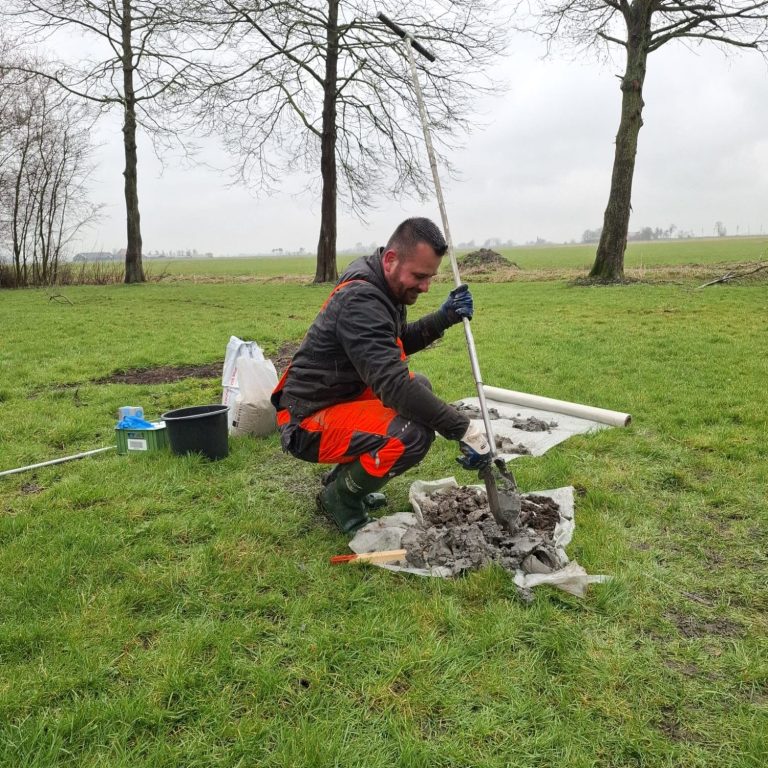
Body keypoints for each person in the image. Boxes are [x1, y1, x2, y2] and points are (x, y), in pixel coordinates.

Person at [271, 217, 491, 534]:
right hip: (306, 420)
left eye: (430, 277)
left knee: (420, 387)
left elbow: (394, 342)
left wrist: (443, 318)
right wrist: (464, 429)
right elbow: (394, 387)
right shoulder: (361, 300)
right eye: (419, 276)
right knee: (411, 432)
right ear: (390, 260)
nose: (426, 287)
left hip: (336, 398)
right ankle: (340, 499)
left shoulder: (381, 286)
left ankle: (345, 480)